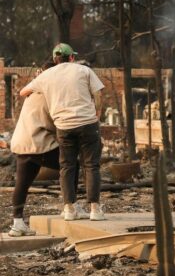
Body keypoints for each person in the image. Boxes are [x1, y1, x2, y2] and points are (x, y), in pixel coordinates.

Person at [20, 43, 105, 221]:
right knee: (91, 165)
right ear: (72, 57)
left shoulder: (47, 75)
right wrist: (97, 114)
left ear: (54, 59)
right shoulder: (83, 70)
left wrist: (38, 84)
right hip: (88, 123)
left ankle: (69, 209)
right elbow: (99, 93)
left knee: (67, 166)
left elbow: (23, 92)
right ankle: (95, 210)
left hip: (64, 127)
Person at [9, 62, 85, 236]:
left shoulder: (33, 92)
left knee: (22, 183)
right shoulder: (50, 93)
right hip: (39, 142)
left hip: (23, 142)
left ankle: (17, 223)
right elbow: (59, 121)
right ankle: (70, 206)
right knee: (71, 165)